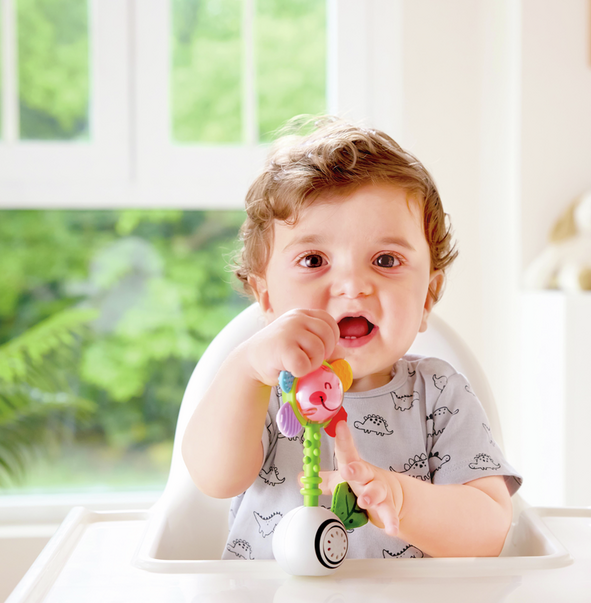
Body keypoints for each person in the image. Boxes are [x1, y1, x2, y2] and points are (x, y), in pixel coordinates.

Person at [182, 117, 521, 560]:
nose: (353, 285)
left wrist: (401, 498)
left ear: (427, 296)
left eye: (385, 260)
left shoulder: (440, 394)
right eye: (314, 260)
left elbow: (490, 531)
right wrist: (246, 368)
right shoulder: (263, 389)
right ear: (266, 298)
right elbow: (213, 477)